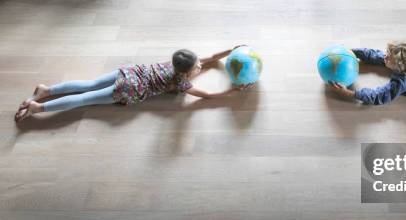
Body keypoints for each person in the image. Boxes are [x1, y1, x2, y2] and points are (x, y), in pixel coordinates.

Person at [15, 46, 254, 122]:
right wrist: (233, 91)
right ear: (187, 71)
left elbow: (210, 58)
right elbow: (208, 96)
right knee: (86, 99)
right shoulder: (181, 83)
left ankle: (47, 90)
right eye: (197, 68)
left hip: (127, 73)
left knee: (88, 84)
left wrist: (232, 49)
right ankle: (39, 108)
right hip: (128, 89)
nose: (200, 67)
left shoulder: (176, 64)